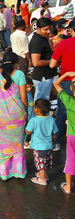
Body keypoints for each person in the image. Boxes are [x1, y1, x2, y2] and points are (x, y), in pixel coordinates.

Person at [0, 50, 28, 180]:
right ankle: (18, 172)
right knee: (17, 144)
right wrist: (26, 111)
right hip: (17, 115)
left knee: (3, 144)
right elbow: (23, 97)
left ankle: (4, 172)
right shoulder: (20, 74)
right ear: (15, 63)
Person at [50, 20, 75, 152]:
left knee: (62, 113)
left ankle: (58, 142)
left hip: (67, 82)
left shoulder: (64, 43)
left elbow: (52, 64)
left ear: (71, 30)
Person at [25, 99, 58, 186]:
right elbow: (54, 133)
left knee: (41, 164)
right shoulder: (50, 119)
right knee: (46, 162)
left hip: (39, 147)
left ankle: (42, 179)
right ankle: (45, 175)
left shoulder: (33, 120)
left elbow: (28, 132)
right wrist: (54, 143)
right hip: (49, 145)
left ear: (36, 109)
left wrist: (26, 136)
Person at [53, 72, 75, 194]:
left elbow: (56, 83)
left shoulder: (69, 100)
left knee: (71, 159)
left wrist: (66, 74)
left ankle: (67, 186)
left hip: (72, 135)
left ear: (71, 88)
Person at [29, 18, 56, 101]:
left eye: (49, 29)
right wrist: (52, 62)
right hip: (42, 77)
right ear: (38, 29)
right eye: (46, 29)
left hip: (46, 75)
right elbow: (36, 62)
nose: (48, 31)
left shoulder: (42, 38)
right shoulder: (37, 41)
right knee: (41, 102)